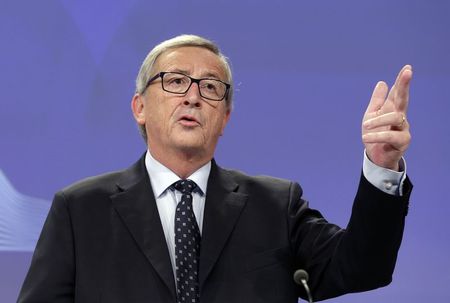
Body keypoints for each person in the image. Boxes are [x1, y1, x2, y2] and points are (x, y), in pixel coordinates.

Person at [17, 34, 413, 303]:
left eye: (210, 88)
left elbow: (363, 268)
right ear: (139, 107)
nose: (192, 97)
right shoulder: (80, 209)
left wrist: (381, 166)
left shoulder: (276, 206)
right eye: (175, 82)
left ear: (224, 117)